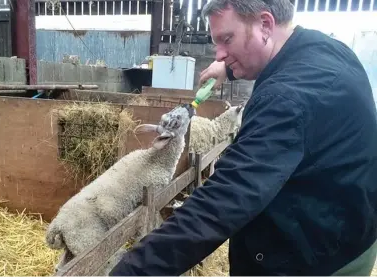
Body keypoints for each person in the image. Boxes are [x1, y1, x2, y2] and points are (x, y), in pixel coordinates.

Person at [109, 0, 377, 275]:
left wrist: (132, 272)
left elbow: (222, 202)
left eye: (227, 39)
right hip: (347, 229)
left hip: (316, 259)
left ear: (265, 24)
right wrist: (228, 69)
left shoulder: (285, 100)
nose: (219, 54)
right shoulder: (325, 49)